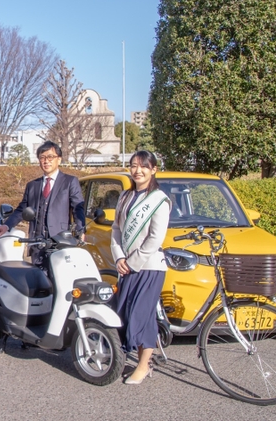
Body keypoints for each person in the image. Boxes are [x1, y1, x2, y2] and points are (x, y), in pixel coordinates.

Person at [110, 150, 171, 385]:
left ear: (153, 169)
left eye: (143, 166)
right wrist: (118, 258)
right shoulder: (125, 197)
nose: (138, 170)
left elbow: (156, 239)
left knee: (141, 315)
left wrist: (132, 262)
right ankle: (136, 358)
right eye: (134, 165)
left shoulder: (159, 200)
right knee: (124, 313)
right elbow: (116, 230)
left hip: (150, 267)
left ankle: (144, 365)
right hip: (125, 266)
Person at [0, 141, 85, 265]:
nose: (46, 161)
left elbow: (78, 208)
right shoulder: (32, 185)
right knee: (38, 281)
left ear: (59, 160)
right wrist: (7, 225)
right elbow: (22, 209)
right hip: (37, 243)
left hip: (59, 241)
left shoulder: (70, 182)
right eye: (42, 157)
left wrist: (80, 231)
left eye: (50, 157)